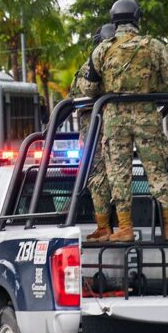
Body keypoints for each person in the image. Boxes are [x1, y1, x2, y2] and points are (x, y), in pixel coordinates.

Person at [90, 0, 168, 243]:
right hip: (146, 115)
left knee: (119, 173)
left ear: (113, 20)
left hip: (114, 118)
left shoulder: (102, 49)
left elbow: (89, 87)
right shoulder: (155, 45)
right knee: (157, 169)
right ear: (137, 18)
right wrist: (150, 88)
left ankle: (125, 228)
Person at [70, 23, 117, 241]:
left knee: (97, 177)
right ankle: (119, 225)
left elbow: (78, 95)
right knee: (119, 176)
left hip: (96, 133)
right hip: (120, 131)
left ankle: (104, 227)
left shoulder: (89, 68)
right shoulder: (124, 64)